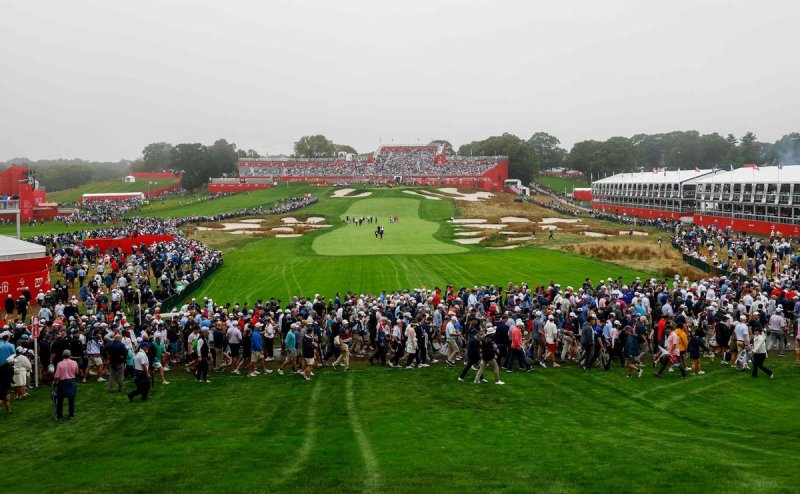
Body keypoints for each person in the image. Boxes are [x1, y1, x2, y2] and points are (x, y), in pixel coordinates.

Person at [53, 349, 79, 419]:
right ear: (70, 355)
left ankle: (59, 416)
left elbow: (57, 376)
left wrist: (54, 383)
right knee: (71, 399)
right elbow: (77, 372)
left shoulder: (60, 364)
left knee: (60, 400)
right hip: (72, 381)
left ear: (62, 355)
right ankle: (71, 415)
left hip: (62, 382)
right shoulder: (74, 363)